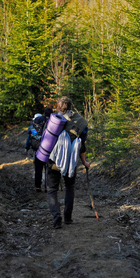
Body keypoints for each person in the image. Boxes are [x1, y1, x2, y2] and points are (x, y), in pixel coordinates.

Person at [46, 97, 90, 229]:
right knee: (69, 187)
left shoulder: (52, 120)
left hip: (53, 161)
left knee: (52, 189)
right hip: (70, 161)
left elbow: (45, 140)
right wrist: (84, 162)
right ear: (71, 107)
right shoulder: (81, 122)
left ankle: (56, 219)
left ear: (58, 107)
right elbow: (81, 146)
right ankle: (68, 218)